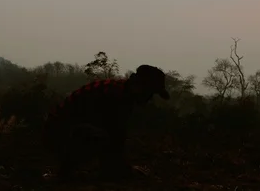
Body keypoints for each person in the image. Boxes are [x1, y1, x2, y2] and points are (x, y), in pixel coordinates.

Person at [42, 64, 170, 180]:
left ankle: (101, 171)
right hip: (57, 132)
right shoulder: (115, 96)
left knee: (103, 138)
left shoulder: (121, 93)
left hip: (67, 130)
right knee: (99, 137)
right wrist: (126, 170)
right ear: (139, 85)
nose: (149, 98)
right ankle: (63, 174)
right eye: (149, 93)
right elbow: (114, 136)